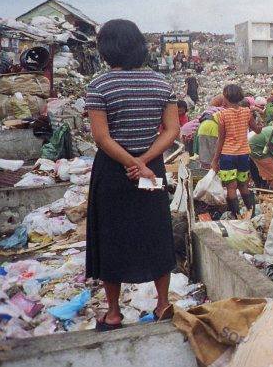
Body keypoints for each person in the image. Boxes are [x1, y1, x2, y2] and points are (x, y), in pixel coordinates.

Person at [85, 19, 179, 330]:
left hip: (112, 173)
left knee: (110, 234)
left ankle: (113, 313)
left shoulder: (98, 87)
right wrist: (145, 162)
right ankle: (163, 304)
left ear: (106, 50)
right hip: (152, 172)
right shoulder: (162, 85)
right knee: (157, 230)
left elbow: (102, 138)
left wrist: (131, 162)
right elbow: (172, 131)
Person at [211, 84, 261, 218]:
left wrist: (215, 160)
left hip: (227, 155)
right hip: (244, 155)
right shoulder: (246, 112)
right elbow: (257, 130)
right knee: (243, 185)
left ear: (226, 97)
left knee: (231, 187)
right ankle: (251, 212)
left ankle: (236, 215)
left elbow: (221, 139)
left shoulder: (222, 115)